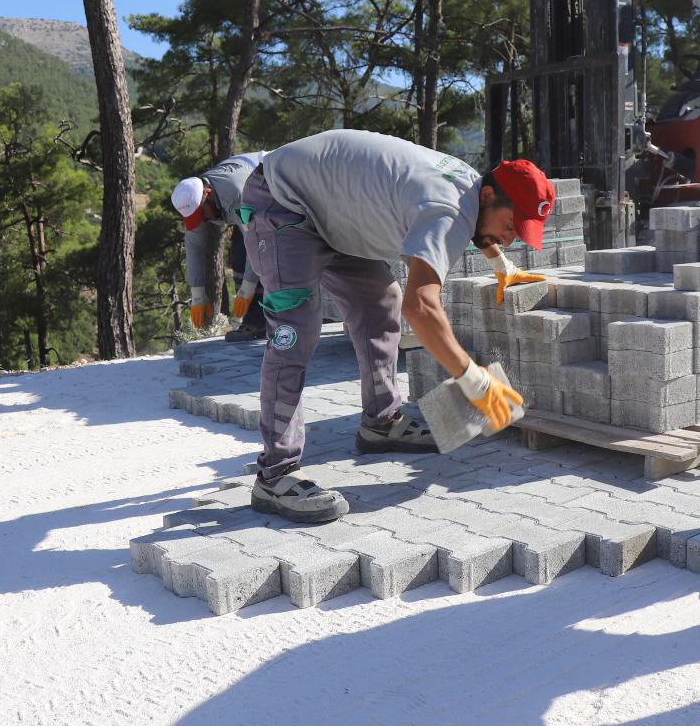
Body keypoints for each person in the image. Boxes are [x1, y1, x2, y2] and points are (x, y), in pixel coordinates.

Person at [238, 129, 555, 523]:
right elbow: (421, 306)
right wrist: (474, 381)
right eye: (511, 226)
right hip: (282, 202)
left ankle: (381, 423)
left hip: (328, 209)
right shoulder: (450, 210)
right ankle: (275, 474)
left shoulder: (473, 187)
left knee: (380, 301)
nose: (509, 239)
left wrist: (500, 265)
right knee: (295, 332)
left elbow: (477, 225)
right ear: (489, 196)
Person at [171, 151, 267, 342]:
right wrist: (197, 294)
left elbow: (257, 241)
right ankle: (255, 321)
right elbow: (195, 246)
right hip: (248, 208)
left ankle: (259, 321)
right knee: (240, 256)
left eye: (202, 214)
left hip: (273, 195)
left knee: (254, 255)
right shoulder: (197, 199)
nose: (204, 220)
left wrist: (247, 288)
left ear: (208, 194)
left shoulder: (239, 196)